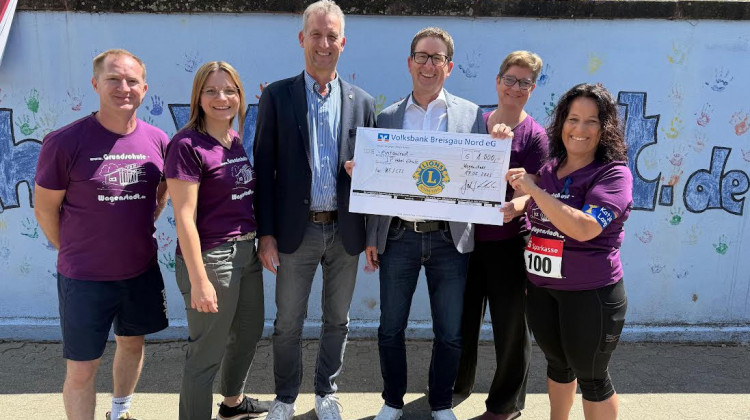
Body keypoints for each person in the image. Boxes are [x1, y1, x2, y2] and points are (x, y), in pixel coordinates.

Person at [365, 27, 509, 420]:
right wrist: (373, 235)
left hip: (450, 240)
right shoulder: (388, 117)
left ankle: (441, 403)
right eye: (422, 56)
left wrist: (497, 141)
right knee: (390, 327)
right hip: (399, 236)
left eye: (437, 58)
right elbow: (377, 182)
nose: (428, 65)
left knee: (450, 331)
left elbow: (483, 171)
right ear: (410, 62)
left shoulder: (470, 115)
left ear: (449, 66)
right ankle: (392, 401)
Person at [252, 1, 376, 419]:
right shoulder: (277, 96)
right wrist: (266, 234)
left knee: (337, 320)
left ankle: (327, 392)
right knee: (288, 321)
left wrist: (371, 229)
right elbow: (264, 169)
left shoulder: (362, 102)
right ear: (302, 39)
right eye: (316, 35)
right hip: (295, 231)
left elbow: (374, 174)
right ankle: (286, 397)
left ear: (343, 42)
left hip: (346, 231)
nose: (324, 43)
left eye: (332, 36)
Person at [34, 49, 169, 420]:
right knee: (81, 368)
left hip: (140, 271)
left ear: (144, 88)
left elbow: (159, 194)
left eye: (131, 81)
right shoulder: (65, 142)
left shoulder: (158, 139)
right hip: (84, 279)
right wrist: (74, 250)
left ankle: (119, 412)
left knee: (133, 344)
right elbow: (44, 209)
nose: (123, 88)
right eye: (113, 79)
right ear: (95, 84)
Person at [506, 83, 632, 420]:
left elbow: (584, 227)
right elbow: (542, 201)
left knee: (592, 378)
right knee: (558, 365)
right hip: (543, 288)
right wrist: (518, 205)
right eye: (573, 119)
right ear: (562, 122)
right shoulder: (553, 167)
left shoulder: (613, 174)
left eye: (592, 121)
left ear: (605, 128)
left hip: (590, 293)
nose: (579, 129)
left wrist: (533, 190)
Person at [165, 61, 270, 420]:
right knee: (206, 353)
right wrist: (199, 280)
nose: (221, 97)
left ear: (240, 96)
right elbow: (184, 217)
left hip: (246, 252)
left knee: (248, 332)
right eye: (211, 90)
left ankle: (233, 404)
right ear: (198, 97)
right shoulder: (186, 145)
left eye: (229, 90)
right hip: (212, 258)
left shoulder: (233, 139)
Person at [454, 51, 548, 420]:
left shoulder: (535, 136)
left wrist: (517, 205)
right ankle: (456, 385)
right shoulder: (474, 123)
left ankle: (506, 405)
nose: (515, 87)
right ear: (497, 81)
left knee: (511, 328)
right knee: (460, 322)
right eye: (510, 79)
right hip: (466, 242)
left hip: (510, 244)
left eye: (524, 82)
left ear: (532, 88)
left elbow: (534, 191)